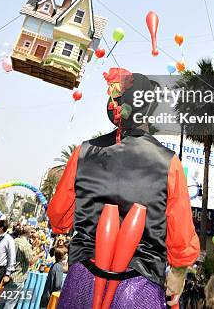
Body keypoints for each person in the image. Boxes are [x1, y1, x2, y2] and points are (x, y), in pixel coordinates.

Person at [47, 71, 200, 308]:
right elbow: (181, 236)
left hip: (83, 277)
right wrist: (178, 274)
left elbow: (59, 219)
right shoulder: (170, 163)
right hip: (139, 285)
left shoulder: (83, 152)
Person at [2, 225, 33, 309]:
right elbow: (31, 260)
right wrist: (39, 255)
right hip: (17, 277)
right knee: (10, 304)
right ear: (28, 233)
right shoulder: (25, 244)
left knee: (1, 301)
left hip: (8, 274)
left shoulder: (14, 240)